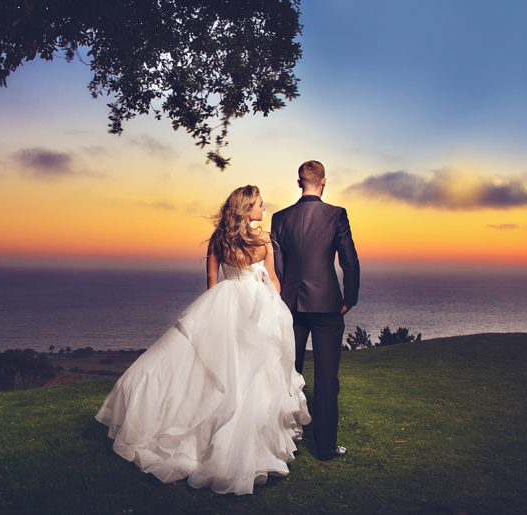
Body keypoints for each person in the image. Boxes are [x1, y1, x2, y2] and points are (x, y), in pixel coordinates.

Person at [95, 185, 311, 496]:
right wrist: (277, 308)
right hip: (261, 305)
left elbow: (212, 282)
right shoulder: (264, 239)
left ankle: (213, 437)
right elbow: (273, 279)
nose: (263, 211)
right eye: (260, 206)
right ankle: (255, 440)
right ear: (247, 209)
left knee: (222, 374)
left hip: (226, 302)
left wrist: (215, 318)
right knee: (255, 375)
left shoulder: (219, 239)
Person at [270, 160, 360, 460]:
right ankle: (325, 448)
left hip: (292, 305)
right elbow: (349, 260)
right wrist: (351, 297)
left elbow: (278, 268)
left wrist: (284, 299)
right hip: (327, 306)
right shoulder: (336, 215)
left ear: (299, 183)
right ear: (323, 181)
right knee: (325, 378)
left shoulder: (279, 218)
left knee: (287, 374)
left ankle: (283, 443)